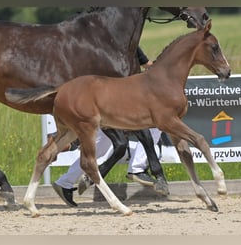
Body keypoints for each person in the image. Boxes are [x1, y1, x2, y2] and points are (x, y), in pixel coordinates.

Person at [52, 47, 160, 206]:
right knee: (153, 126)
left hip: (110, 96)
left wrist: (153, 66)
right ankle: (136, 168)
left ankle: (65, 182)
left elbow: (141, 59)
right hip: (110, 98)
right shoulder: (118, 42)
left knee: (102, 144)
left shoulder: (122, 42)